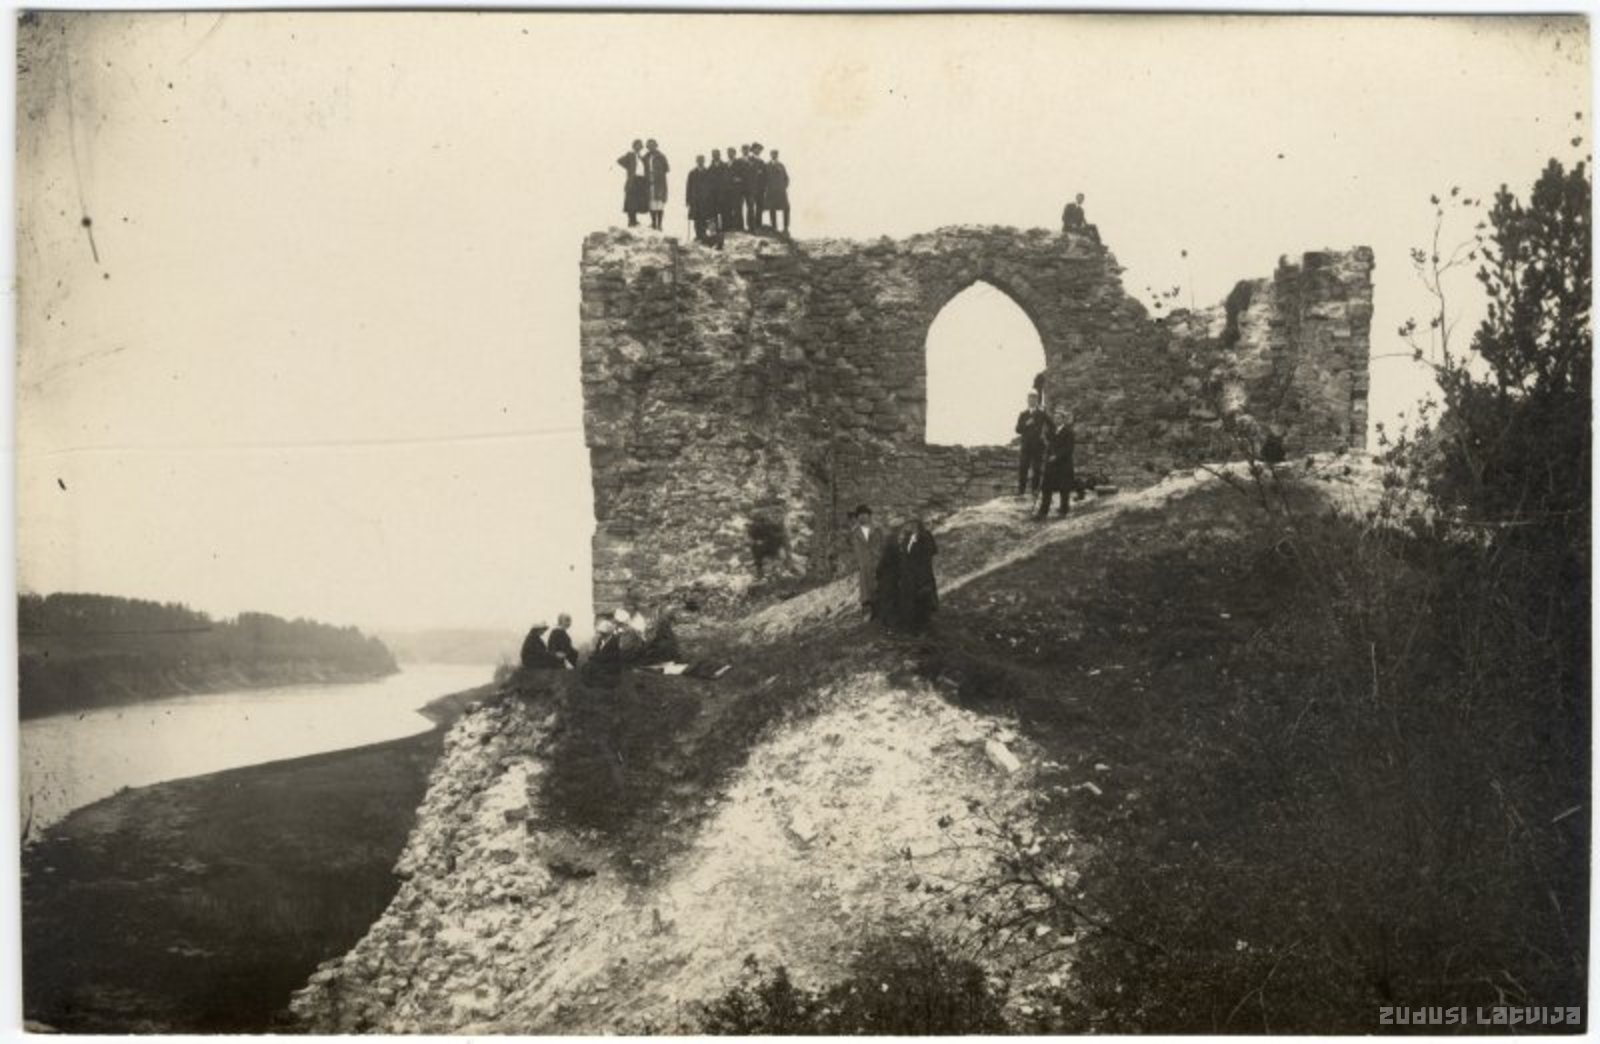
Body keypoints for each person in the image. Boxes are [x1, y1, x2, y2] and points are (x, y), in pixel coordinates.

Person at [897, 517, 939, 633]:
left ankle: (925, 627)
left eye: (914, 523)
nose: (912, 526)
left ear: (919, 524)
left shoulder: (925, 536)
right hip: (909, 576)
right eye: (910, 523)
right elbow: (904, 555)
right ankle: (912, 627)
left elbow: (931, 552)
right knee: (911, 601)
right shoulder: (907, 538)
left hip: (922, 574)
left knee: (923, 599)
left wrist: (922, 571)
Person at [1036, 409, 1077, 520]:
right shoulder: (1051, 432)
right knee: (1046, 488)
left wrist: (1057, 456)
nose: (1056, 420)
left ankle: (1063, 511)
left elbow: (1069, 449)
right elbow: (1046, 445)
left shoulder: (1069, 432)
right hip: (1051, 465)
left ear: (1063, 420)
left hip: (1063, 465)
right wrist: (1043, 441)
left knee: (1064, 489)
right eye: (1054, 418)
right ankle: (1042, 512)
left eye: (1058, 418)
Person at [1015, 391, 1054, 499]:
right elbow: (1017, 429)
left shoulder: (1041, 414)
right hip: (1026, 446)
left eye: (1034, 399)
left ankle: (1034, 491)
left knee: (1037, 469)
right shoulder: (1023, 414)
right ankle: (1021, 491)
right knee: (1023, 468)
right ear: (1027, 400)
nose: (1032, 401)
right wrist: (1026, 424)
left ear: (1037, 401)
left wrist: (1045, 436)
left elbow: (1052, 426)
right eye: (1030, 399)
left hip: (1038, 446)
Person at [849, 504, 885, 619]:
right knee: (866, 589)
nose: (862, 517)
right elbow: (854, 550)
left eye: (864, 514)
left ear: (869, 516)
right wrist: (857, 562)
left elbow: (883, 545)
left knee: (879, 585)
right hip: (864, 564)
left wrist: (881, 557)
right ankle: (868, 612)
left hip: (877, 562)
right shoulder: (855, 533)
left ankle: (881, 611)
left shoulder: (878, 529)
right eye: (860, 515)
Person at [873, 522, 905, 629]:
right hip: (895, 578)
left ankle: (888, 624)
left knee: (887, 600)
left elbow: (881, 564)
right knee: (893, 599)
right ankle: (893, 623)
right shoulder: (898, 549)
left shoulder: (888, 548)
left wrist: (878, 574)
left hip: (887, 579)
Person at [686, 154, 719, 245]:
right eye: (699, 160)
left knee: (709, 218)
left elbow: (713, 187)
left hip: (707, 200)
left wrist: (713, 198)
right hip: (696, 200)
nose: (700, 162)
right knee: (697, 219)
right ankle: (699, 236)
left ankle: (710, 236)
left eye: (702, 160)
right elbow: (689, 187)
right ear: (696, 161)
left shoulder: (708, 172)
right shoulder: (692, 173)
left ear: (704, 161)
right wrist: (688, 200)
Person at [616, 140, 648, 227]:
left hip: (641, 180)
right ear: (633, 146)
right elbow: (619, 161)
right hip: (633, 180)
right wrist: (629, 168)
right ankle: (631, 221)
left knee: (637, 201)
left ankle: (634, 220)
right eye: (637, 145)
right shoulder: (630, 155)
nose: (638, 147)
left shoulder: (641, 157)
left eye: (640, 146)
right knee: (631, 201)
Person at [643, 139, 670, 231]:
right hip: (649, 182)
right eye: (649, 146)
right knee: (651, 203)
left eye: (653, 145)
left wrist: (657, 173)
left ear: (656, 146)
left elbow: (667, 168)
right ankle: (653, 223)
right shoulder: (646, 157)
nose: (651, 147)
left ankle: (660, 224)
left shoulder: (661, 156)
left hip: (659, 182)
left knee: (659, 203)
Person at [764, 148, 791, 235]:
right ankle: (774, 228)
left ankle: (785, 228)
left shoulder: (781, 165)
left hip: (781, 192)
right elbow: (763, 179)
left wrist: (783, 186)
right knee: (772, 209)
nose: (774, 155)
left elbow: (786, 178)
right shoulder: (767, 166)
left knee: (786, 208)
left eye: (775, 154)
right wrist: (766, 188)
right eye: (773, 154)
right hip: (771, 192)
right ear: (770, 155)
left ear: (777, 155)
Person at [723, 145, 747, 232]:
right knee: (728, 208)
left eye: (731, 152)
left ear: (735, 153)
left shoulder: (739, 163)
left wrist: (739, 179)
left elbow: (744, 175)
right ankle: (729, 227)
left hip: (737, 190)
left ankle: (739, 227)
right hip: (727, 190)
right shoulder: (725, 164)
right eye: (728, 152)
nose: (730, 154)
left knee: (737, 208)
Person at [745, 143, 767, 231]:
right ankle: (751, 226)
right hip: (751, 188)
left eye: (759, 149)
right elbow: (746, 174)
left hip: (760, 189)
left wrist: (764, 187)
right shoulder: (748, 160)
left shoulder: (762, 162)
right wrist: (756, 172)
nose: (758, 151)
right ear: (753, 150)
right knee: (750, 207)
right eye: (756, 149)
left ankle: (758, 225)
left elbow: (765, 176)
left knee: (759, 207)